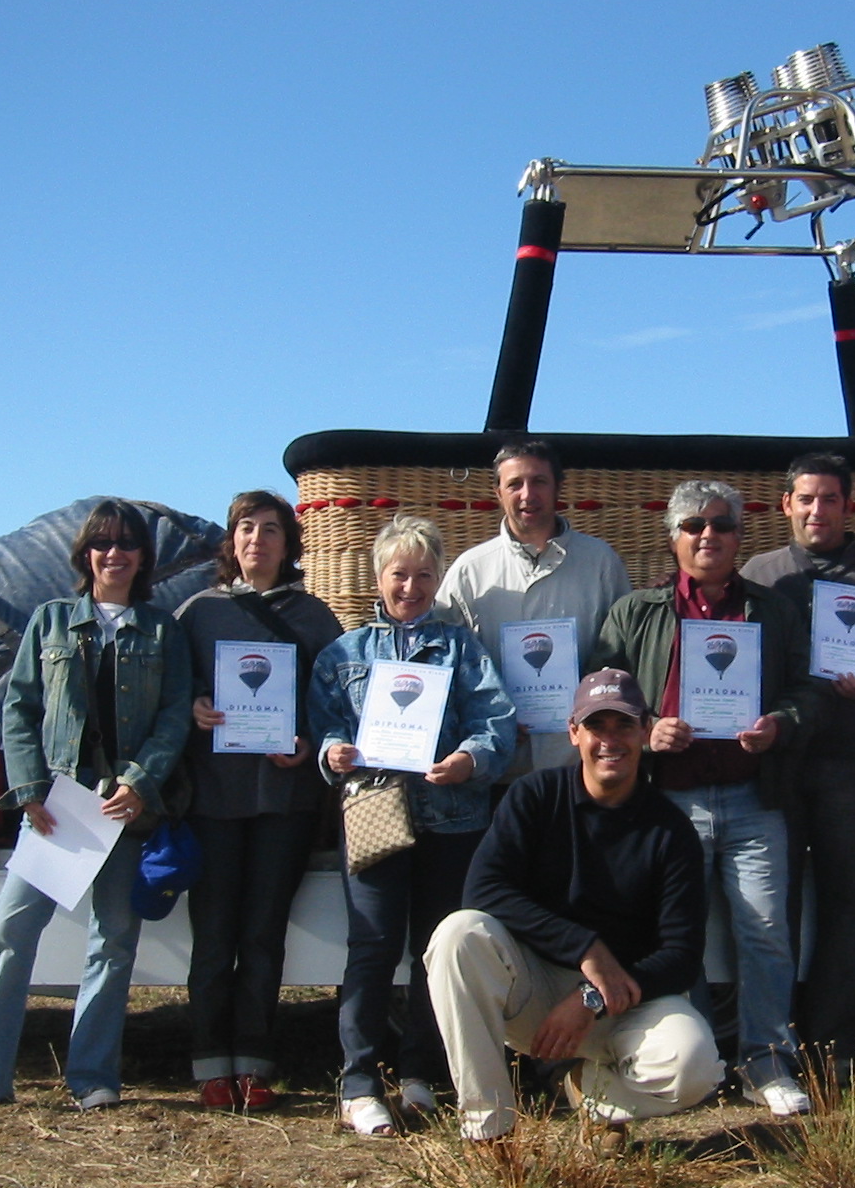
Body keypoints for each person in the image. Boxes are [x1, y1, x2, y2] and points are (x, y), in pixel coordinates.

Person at [0, 499, 193, 1111]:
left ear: (143, 558)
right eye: (103, 544)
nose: (115, 554)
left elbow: (174, 716)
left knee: (113, 943)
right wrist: (28, 789)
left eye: (127, 544)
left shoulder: (163, 630)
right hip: (58, 808)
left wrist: (140, 780)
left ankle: (93, 1077)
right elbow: (19, 710)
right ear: (85, 554)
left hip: (123, 813)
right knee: (11, 932)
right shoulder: (50, 623)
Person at [592, 480, 821, 1117]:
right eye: (694, 526)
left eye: (721, 525)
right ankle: (691, 1063)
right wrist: (643, 728)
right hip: (670, 805)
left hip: (755, 798)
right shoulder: (637, 611)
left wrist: (780, 722)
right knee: (678, 939)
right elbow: (600, 693)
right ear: (674, 539)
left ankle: (767, 1064)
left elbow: (809, 690)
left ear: (740, 537)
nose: (708, 536)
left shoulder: (772, 611)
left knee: (767, 933)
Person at [424, 669, 724, 1143]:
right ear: (573, 732)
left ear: (646, 730)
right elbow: (483, 892)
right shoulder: (535, 796)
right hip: (535, 990)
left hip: (626, 997)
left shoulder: (671, 830)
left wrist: (593, 995)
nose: (610, 740)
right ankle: (488, 1129)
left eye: (624, 725)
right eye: (596, 726)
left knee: (696, 1067)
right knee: (458, 934)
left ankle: (591, 1090)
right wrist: (587, 949)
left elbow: (682, 956)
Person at [308, 515, 516, 1138]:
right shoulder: (343, 654)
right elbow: (321, 725)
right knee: (371, 949)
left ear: (438, 580)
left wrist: (469, 761)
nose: (411, 586)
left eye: (425, 574)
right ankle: (360, 1081)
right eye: (400, 573)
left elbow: (497, 722)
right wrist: (333, 752)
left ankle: (423, 1073)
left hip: (452, 821)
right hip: (374, 818)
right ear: (379, 576)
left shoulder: (462, 648)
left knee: (435, 952)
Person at [741, 452, 855, 1068]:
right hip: (781, 761)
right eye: (805, 498)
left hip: (852, 761)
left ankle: (835, 1043)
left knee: (846, 901)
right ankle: (773, 1041)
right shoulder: (760, 573)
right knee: (774, 905)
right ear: (786, 504)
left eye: (830, 499)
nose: (818, 510)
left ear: (848, 505)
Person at [174, 490, 344, 1112]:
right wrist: (192, 704)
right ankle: (209, 1062)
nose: (258, 540)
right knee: (215, 936)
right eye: (247, 528)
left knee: (264, 934)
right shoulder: (196, 614)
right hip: (213, 802)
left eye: (271, 530)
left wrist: (308, 738)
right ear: (232, 541)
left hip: (284, 802)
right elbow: (172, 691)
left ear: (287, 544)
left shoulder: (314, 616)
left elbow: (334, 700)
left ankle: (255, 1062)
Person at [436, 439, 631, 780]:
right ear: (498, 492)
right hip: (497, 767)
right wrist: (488, 716)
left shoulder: (601, 562)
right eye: (514, 484)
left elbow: (624, 654)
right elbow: (440, 662)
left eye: (539, 481)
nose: (528, 494)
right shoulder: (470, 571)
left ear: (558, 487)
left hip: (578, 763)